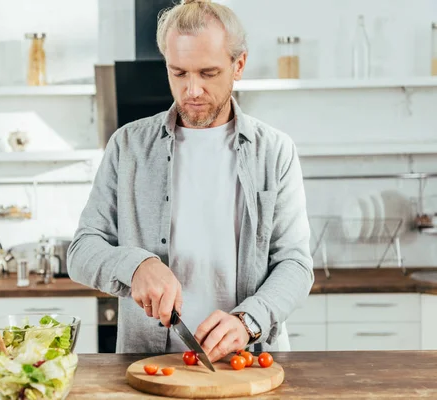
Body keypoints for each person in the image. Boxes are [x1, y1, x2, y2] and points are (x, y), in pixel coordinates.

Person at [67, 0, 313, 361]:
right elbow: (82, 251)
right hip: (150, 368)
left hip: (246, 366)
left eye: (208, 73)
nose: (192, 90)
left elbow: (295, 263)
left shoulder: (275, 151)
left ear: (238, 65)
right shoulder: (127, 146)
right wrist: (135, 265)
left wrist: (249, 320)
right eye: (178, 73)